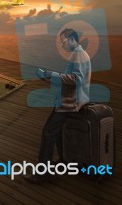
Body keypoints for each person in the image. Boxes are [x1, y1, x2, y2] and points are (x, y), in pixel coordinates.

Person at [24, 28, 91, 184]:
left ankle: (43, 173)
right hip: (71, 98)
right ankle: (63, 160)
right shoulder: (78, 54)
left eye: (63, 42)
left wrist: (52, 74)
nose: (62, 46)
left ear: (72, 39)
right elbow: (69, 78)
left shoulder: (78, 55)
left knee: (48, 132)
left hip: (71, 102)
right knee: (58, 131)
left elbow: (76, 79)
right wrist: (48, 78)